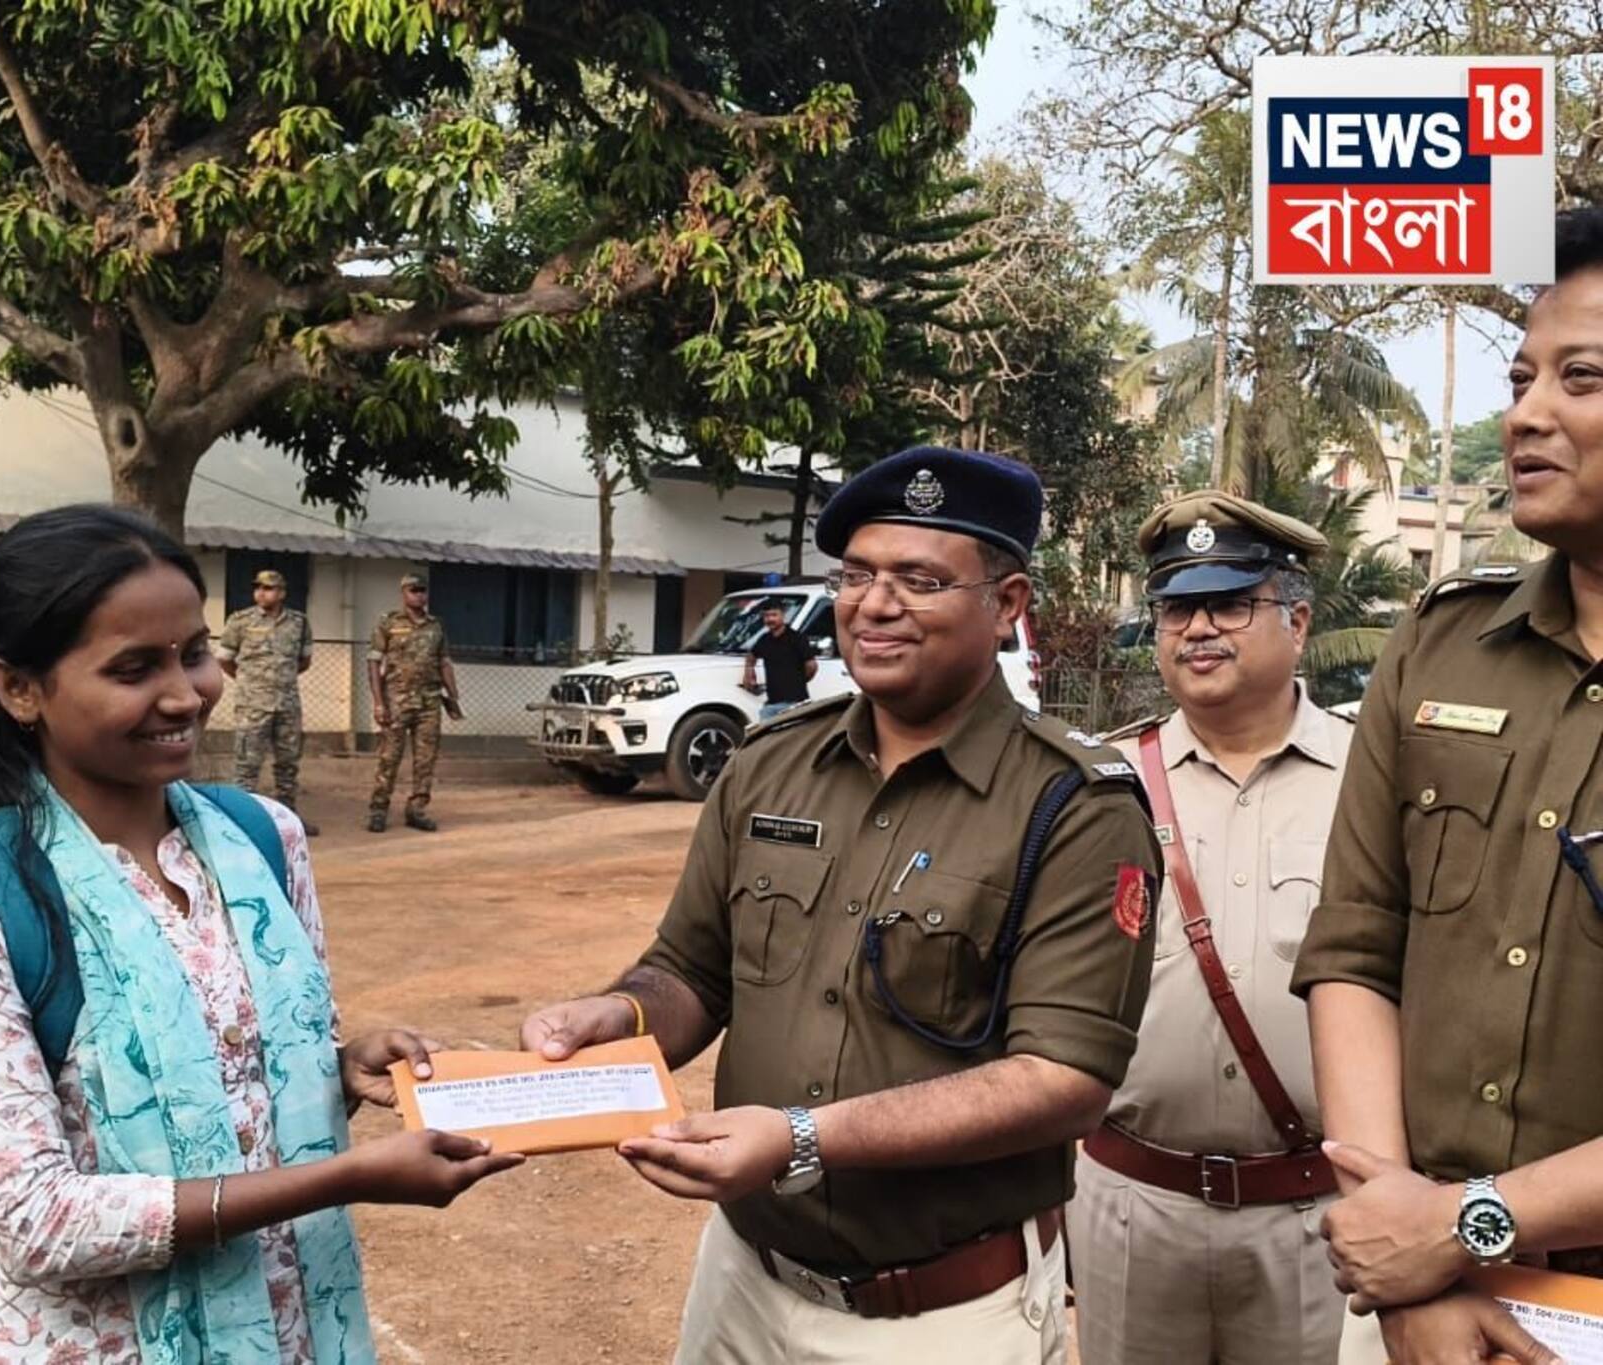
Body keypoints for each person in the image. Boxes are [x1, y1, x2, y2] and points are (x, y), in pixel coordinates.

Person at [521, 446, 1161, 1364]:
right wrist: (615, 1016)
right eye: (856, 574)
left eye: (920, 578)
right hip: (744, 1281)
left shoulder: (1075, 805)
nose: (875, 603)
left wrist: (799, 1139)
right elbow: (690, 972)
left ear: (1009, 603)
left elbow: (1062, 1080)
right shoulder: (770, 762)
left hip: (944, 1319)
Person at [0, 505, 519, 1364]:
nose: (186, 693)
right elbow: (36, 1221)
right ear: (19, 687)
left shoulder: (263, 842)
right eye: (134, 668)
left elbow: (248, 1072)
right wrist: (349, 1175)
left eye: (195, 653)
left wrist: (342, 1065)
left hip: (295, 1331)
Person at [1294, 207, 1603, 1365]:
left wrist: (1462, 1230)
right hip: (1407, 1293)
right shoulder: (1437, 645)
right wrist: (1400, 1250)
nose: (1523, 411)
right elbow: (1353, 946)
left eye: (1580, 376)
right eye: (1521, 374)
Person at [1069, 492, 1351, 1365]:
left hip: (1316, 1216)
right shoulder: (1098, 784)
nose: (1199, 628)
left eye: (1232, 602)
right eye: (1176, 607)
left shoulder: (1373, 779)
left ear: (1297, 621)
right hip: (1132, 1204)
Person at [218, 569, 316, 836]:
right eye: (258, 587)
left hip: (287, 705)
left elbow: (304, 661)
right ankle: (242, 822)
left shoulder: (298, 622)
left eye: (269, 588)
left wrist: (279, 680)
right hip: (252, 705)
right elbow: (225, 659)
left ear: (282, 593)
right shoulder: (240, 621)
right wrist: (252, 683)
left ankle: (289, 821)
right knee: (246, 765)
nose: (262, 592)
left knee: (287, 765)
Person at [365, 572, 459, 834]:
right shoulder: (389, 623)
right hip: (396, 701)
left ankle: (417, 809)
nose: (419, 595)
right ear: (403, 593)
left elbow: (444, 661)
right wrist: (378, 702)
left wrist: (453, 696)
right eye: (414, 590)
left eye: (423, 590)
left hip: (429, 702)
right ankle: (378, 810)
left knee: (425, 760)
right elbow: (373, 661)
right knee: (389, 757)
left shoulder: (435, 626)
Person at [744, 600, 818, 721]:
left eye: (774, 615)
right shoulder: (764, 640)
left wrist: (799, 680)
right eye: (766, 616)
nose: (770, 619)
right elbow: (751, 656)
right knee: (767, 737)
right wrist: (748, 674)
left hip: (796, 702)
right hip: (771, 704)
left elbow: (811, 666)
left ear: (783, 615)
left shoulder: (797, 638)